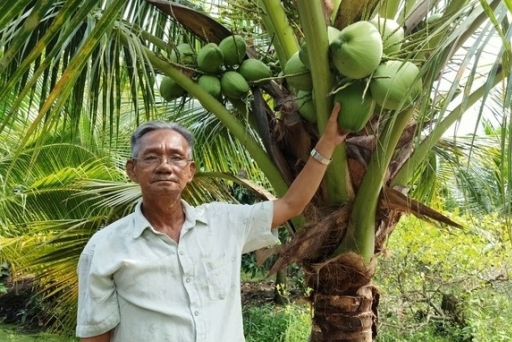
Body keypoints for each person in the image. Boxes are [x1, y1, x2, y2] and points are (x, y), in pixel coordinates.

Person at [76, 103, 347, 342]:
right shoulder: (105, 247)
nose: (164, 166)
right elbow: (95, 335)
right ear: (132, 170)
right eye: (151, 157)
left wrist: (327, 142)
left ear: (190, 171)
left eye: (176, 157)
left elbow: (291, 204)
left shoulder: (224, 222)